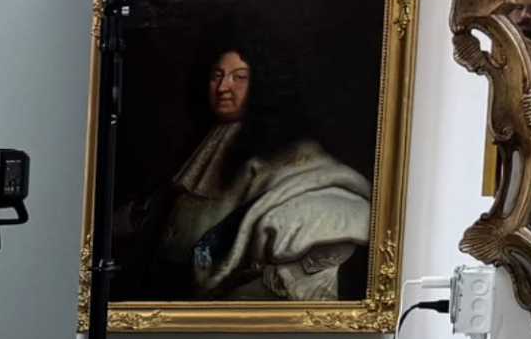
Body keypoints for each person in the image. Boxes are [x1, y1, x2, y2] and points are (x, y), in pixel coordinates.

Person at [136, 41, 374, 302]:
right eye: (217, 76)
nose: (223, 87)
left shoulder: (286, 149)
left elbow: (314, 195)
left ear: (263, 84)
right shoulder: (203, 140)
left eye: (239, 77)